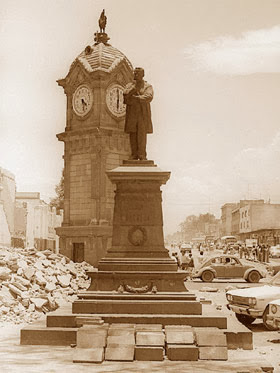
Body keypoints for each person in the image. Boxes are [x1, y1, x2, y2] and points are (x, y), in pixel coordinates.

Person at [123, 67, 153, 160]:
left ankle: (142, 155)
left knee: (141, 135)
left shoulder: (147, 86)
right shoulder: (130, 85)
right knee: (133, 134)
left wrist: (137, 98)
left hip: (142, 115)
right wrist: (133, 89)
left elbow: (149, 96)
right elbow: (125, 96)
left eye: (137, 74)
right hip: (132, 115)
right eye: (134, 73)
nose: (135, 75)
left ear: (142, 75)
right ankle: (134, 154)